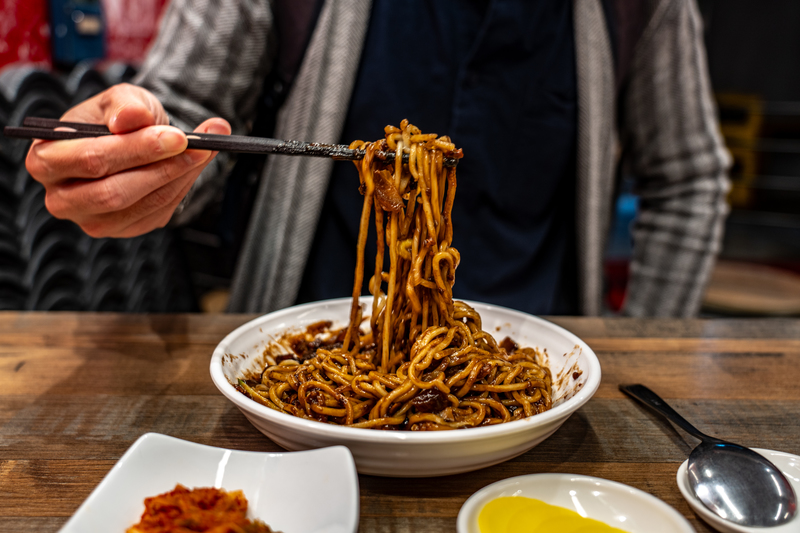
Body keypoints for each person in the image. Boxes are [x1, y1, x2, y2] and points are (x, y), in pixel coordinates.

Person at [25, 0, 730, 317]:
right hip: (305, 357)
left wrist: (640, 350)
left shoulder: (644, 6)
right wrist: (136, 149)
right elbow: (181, 114)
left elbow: (690, 176)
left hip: (537, 373)